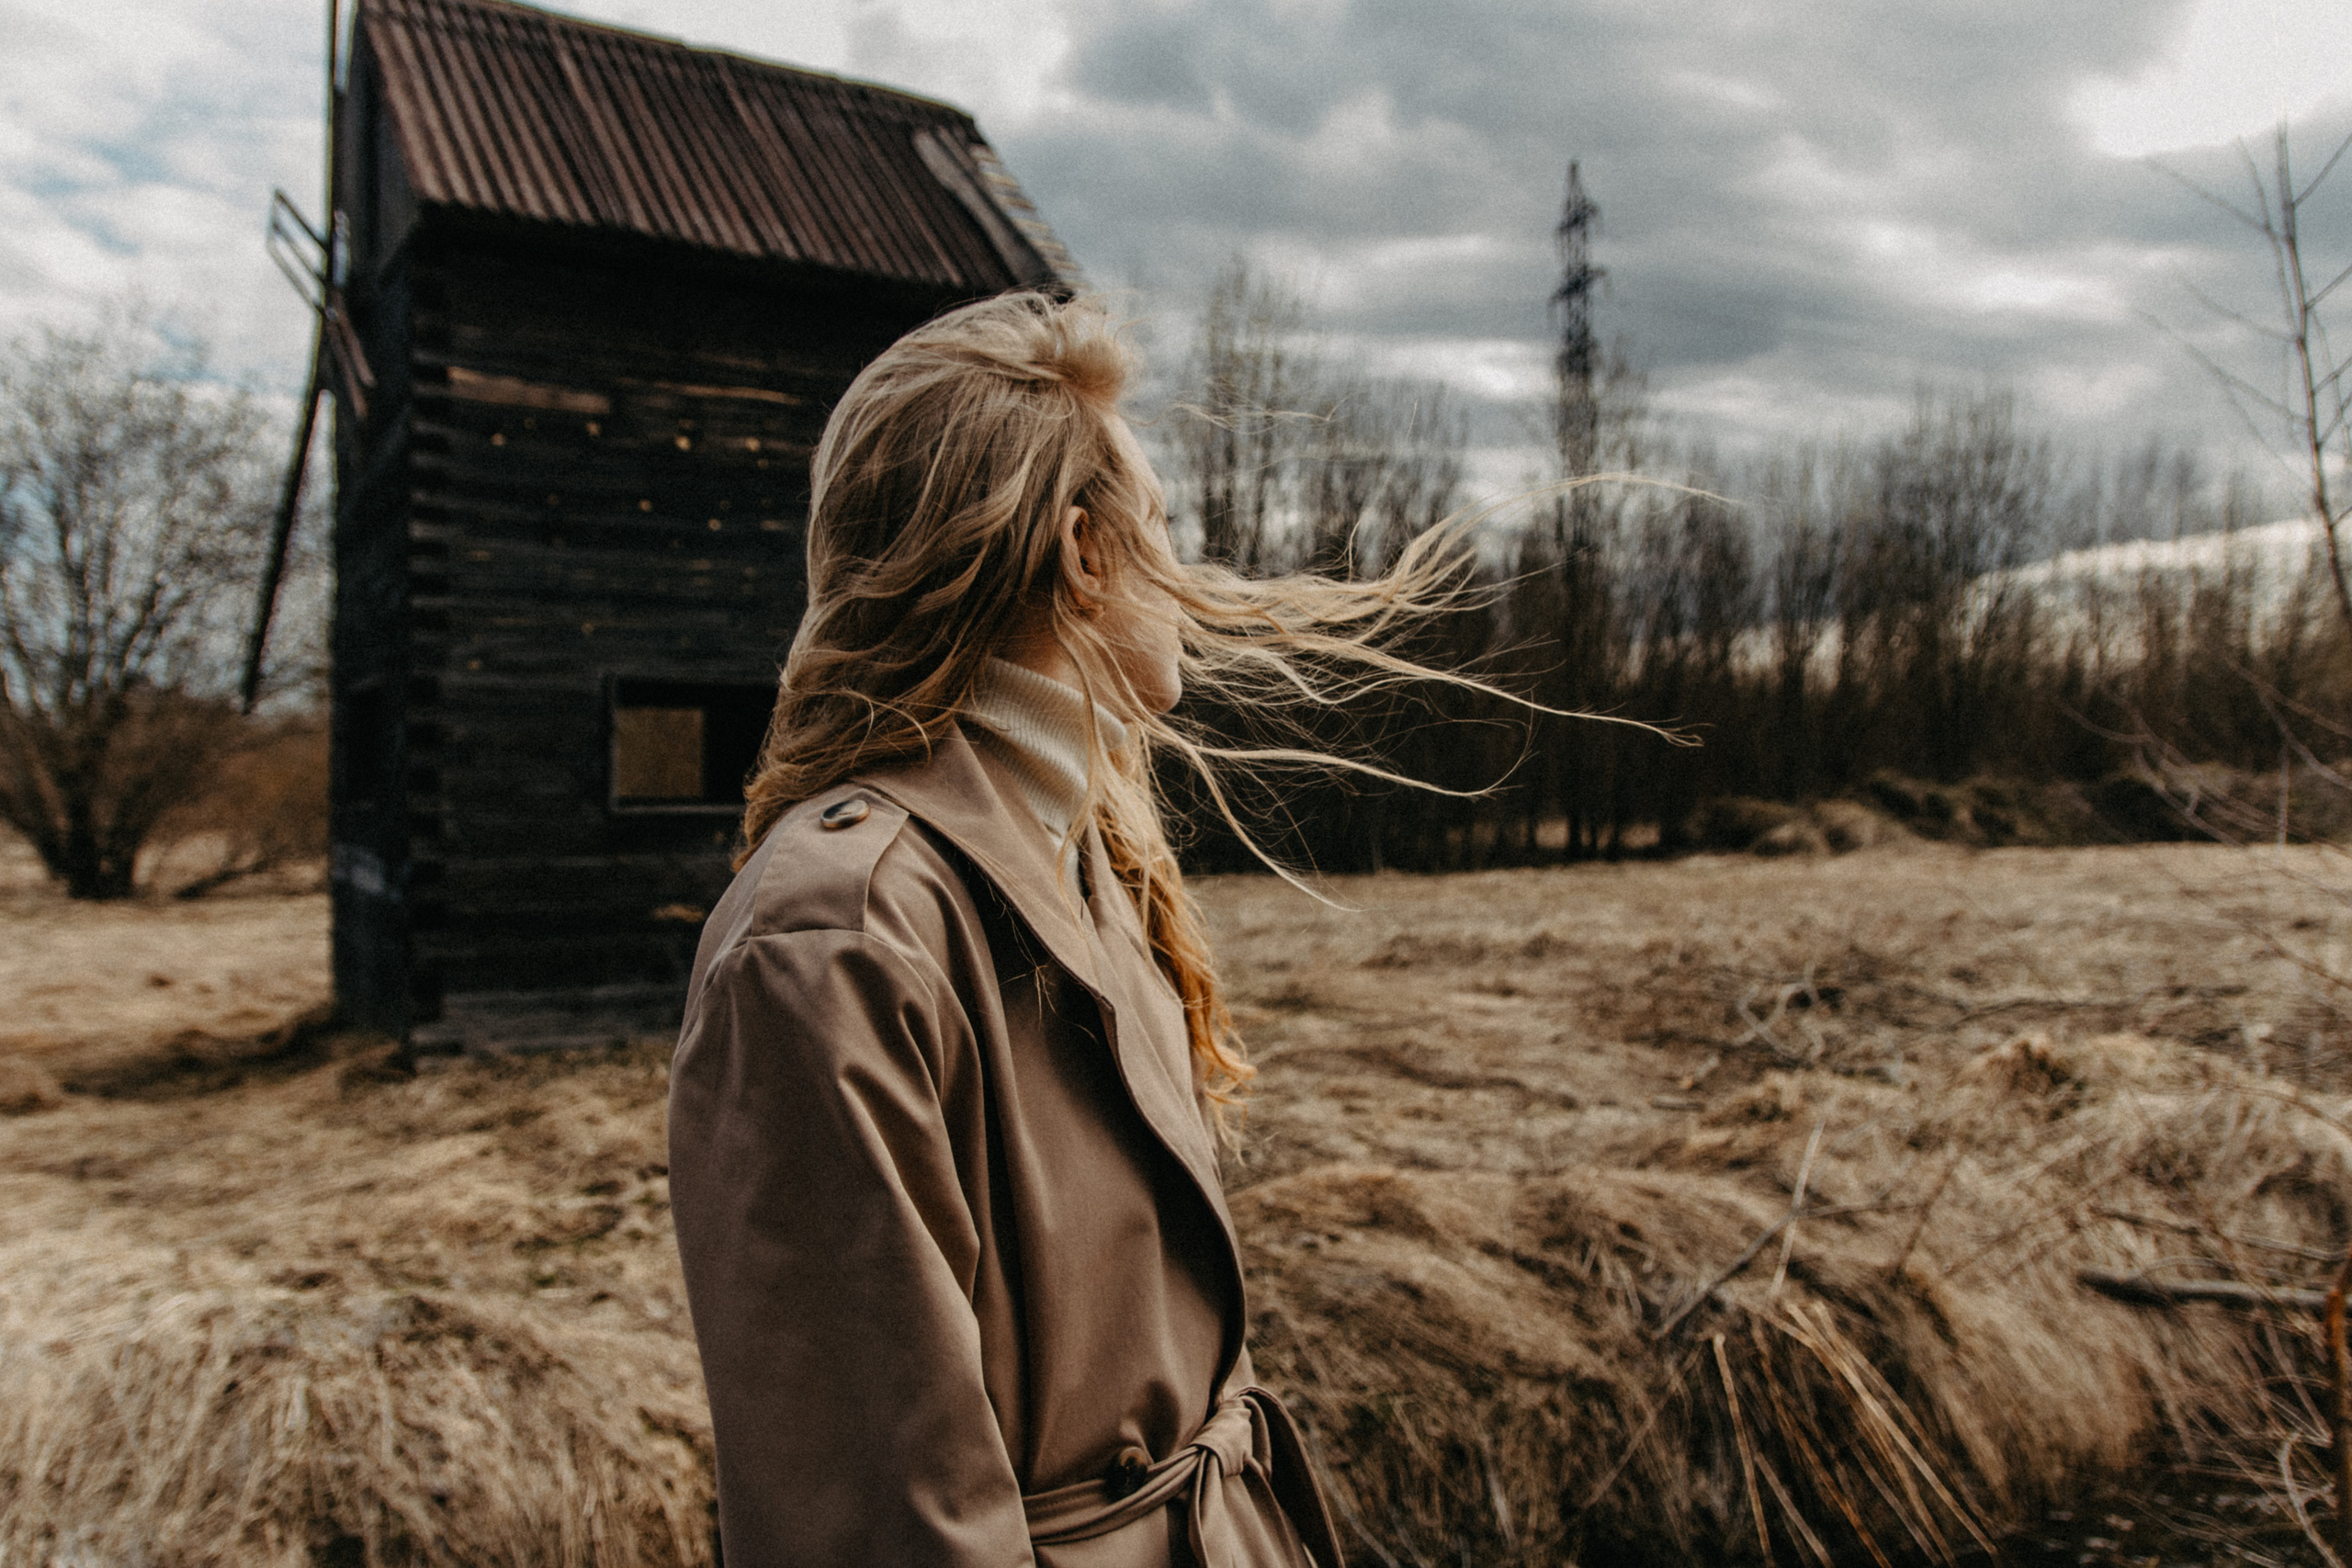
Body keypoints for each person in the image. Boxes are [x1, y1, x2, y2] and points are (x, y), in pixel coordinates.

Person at [668, 291, 1478, 1567]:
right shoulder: (840, 939)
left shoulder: (1087, 862)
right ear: (1083, 554)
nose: (1186, 576)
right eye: (1161, 527)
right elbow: (886, 1528)